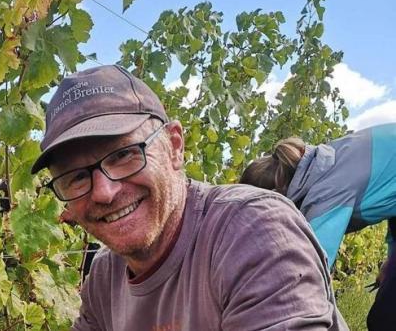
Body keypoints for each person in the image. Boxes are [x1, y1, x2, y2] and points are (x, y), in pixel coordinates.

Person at [30, 65, 347, 331]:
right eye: (76, 177)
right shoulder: (104, 276)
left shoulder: (254, 232)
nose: (103, 191)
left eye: (124, 155)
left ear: (174, 146)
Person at [240, 124, 396, 331]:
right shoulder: (321, 165)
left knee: (386, 319)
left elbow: (308, 271)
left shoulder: (326, 192)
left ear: (274, 198)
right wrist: (391, 258)